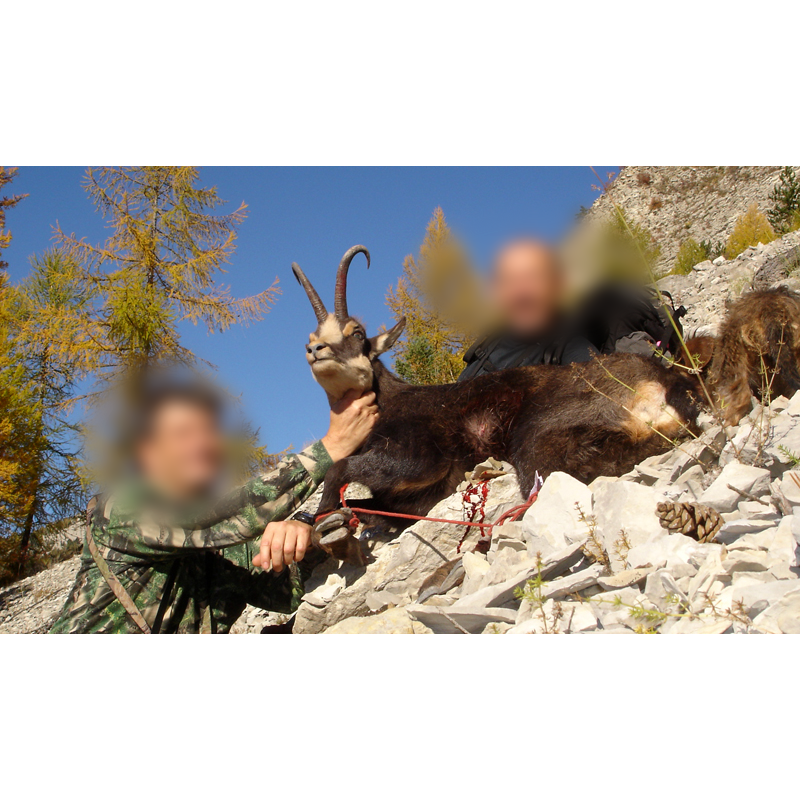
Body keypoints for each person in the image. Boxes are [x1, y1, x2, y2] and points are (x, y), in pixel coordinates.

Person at [50, 380, 378, 634]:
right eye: (182, 433)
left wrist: (303, 534)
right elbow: (229, 515)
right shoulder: (122, 508)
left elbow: (285, 594)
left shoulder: (219, 549)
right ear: (148, 453)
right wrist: (332, 446)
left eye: (209, 432)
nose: (204, 443)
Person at [459, 238, 597, 381]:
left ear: (558, 284)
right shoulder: (485, 350)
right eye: (508, 281)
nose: (520, 293)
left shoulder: (579, 357)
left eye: (533, 277)